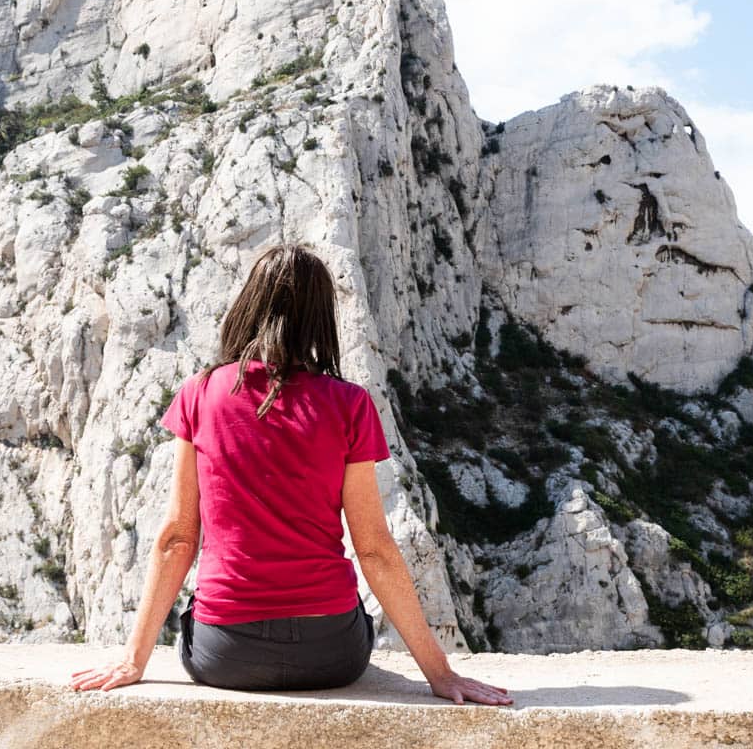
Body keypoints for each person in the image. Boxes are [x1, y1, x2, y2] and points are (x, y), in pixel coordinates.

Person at [70, 242, 514, 706]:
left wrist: (133, 660)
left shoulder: (200, 393)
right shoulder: (350, 404)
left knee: (195, 615)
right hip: (332, 653)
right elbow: (375, 550)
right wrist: (440, 675)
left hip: (226, 654)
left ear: (248, 305)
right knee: (355, 618)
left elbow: (178, 537)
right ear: (320, 318)